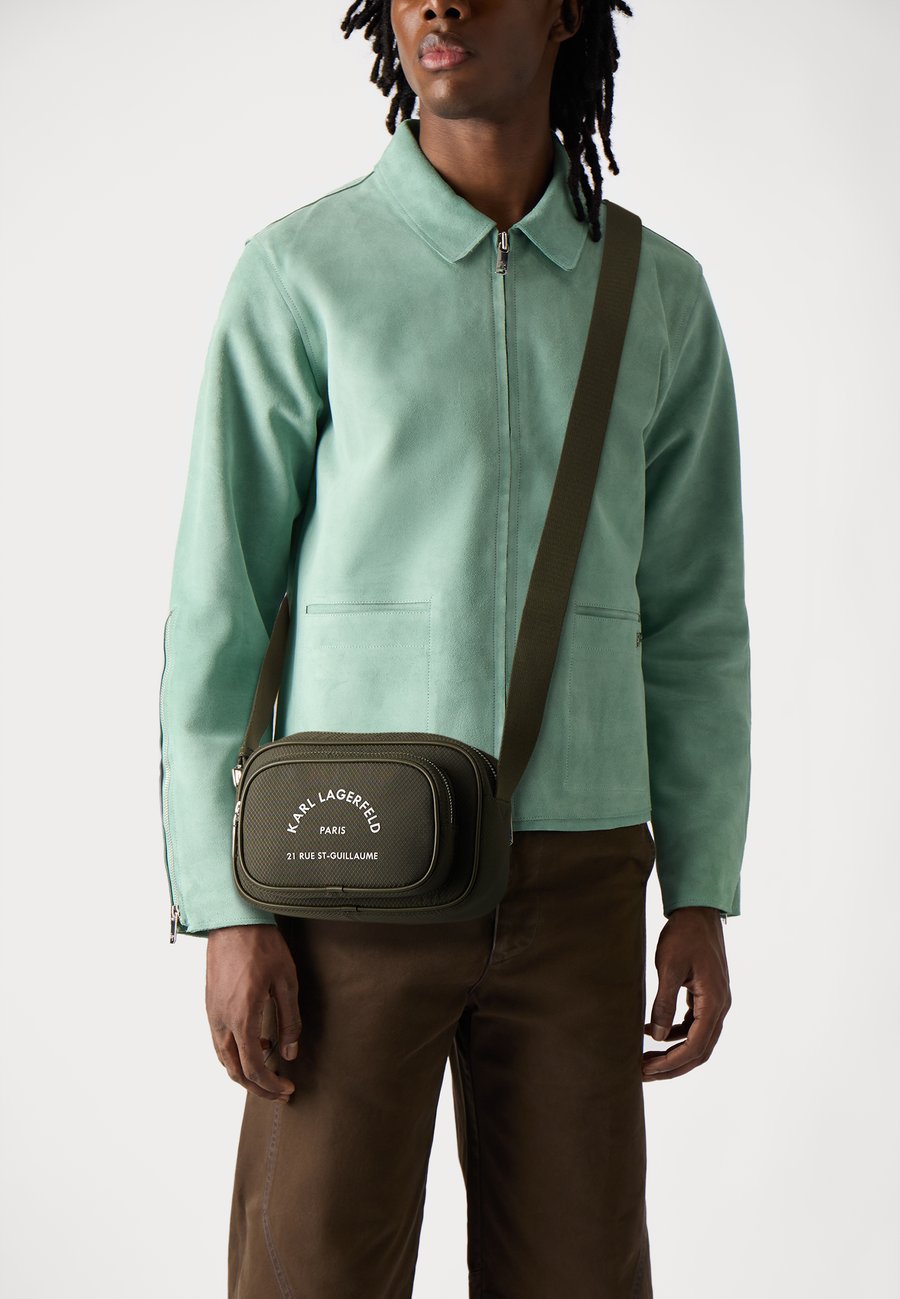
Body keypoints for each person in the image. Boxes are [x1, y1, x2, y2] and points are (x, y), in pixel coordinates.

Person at [157, 2, 751, 1295]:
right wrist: (226, 907)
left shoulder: (656, 293)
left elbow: (697, 619)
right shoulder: (303, 272)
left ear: (565, 12)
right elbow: (221, 610)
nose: (442, 6)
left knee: (581, 1275)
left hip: (586, 879)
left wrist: (701, 889)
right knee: (309, 1273)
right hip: (352, 874)